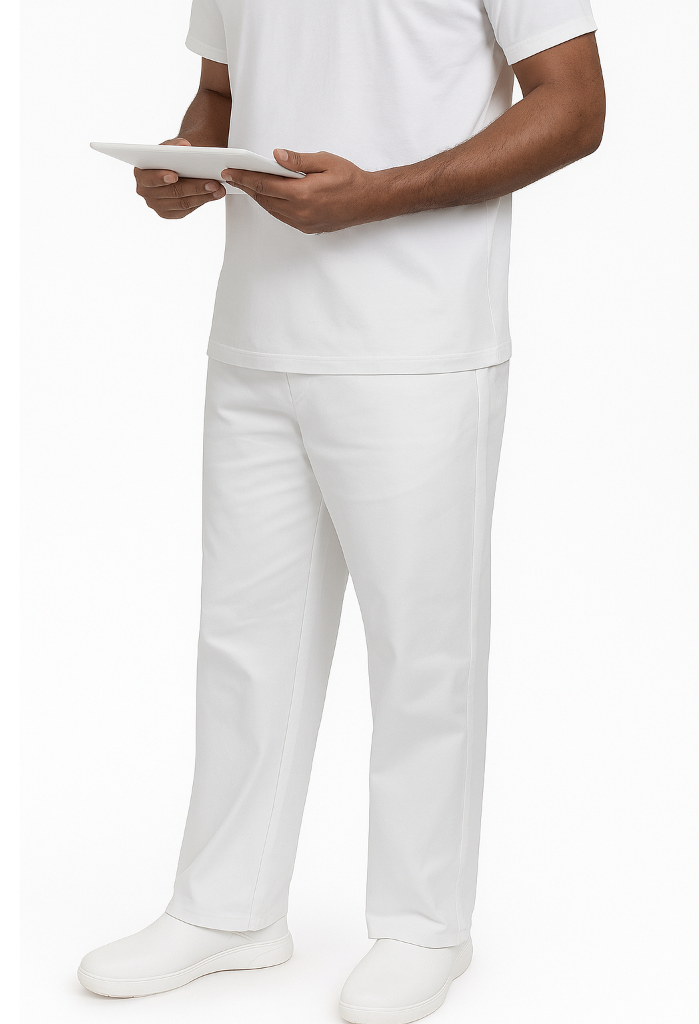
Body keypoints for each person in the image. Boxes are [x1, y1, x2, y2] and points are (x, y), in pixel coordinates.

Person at [77, 1, 604, 1020]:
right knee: (242, 641)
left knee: (422, 653)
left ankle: (423, 926)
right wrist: (184, 162)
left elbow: (574, 106)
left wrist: (380, 195)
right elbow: (224, 90)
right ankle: (227, 907)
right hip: (255, 331)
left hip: (418, 338)